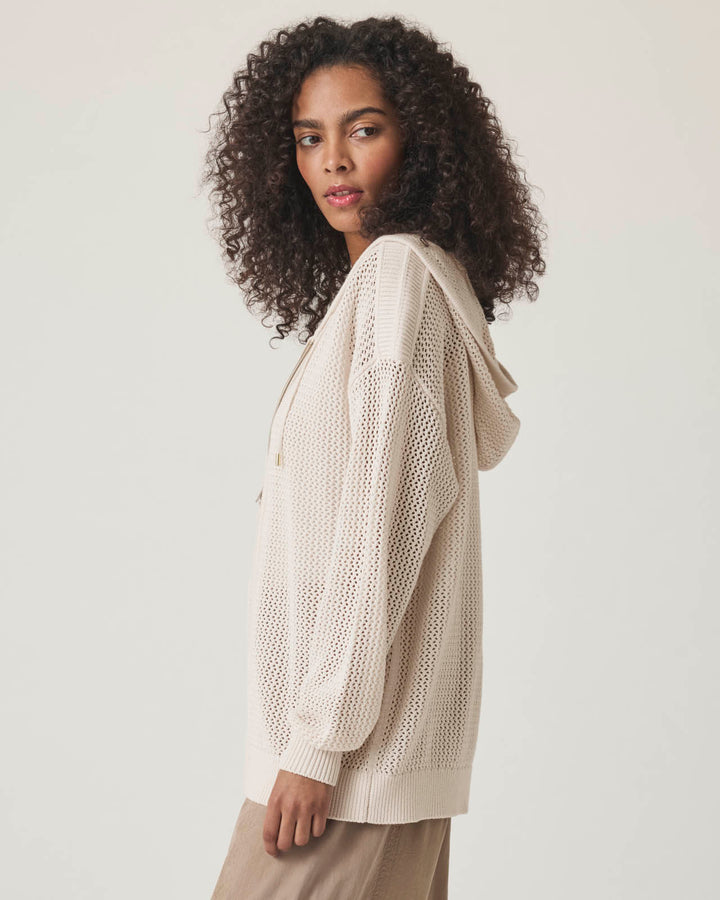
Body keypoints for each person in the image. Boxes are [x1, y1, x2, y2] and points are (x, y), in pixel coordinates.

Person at [201, 13, 546, 899]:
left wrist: (317, 743)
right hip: (373, 760)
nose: (333, 162)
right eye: (309, 138)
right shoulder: (384, 290)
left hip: (346, 768)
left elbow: (379, 529)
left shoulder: (397, 279)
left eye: (363, 129)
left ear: (420, 140)